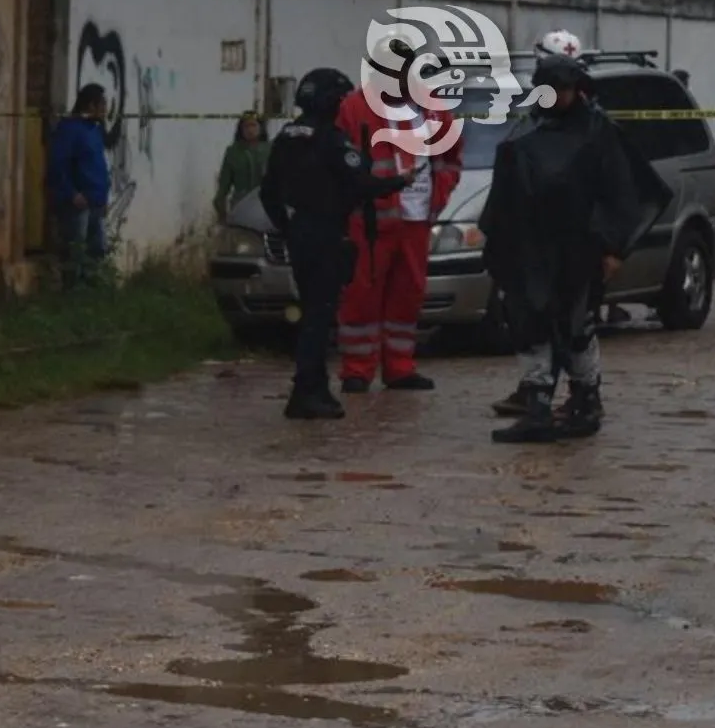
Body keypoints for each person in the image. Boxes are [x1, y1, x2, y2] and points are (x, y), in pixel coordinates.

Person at [480, 53, 673, 443]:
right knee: (529, 322)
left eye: (564, 89)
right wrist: (502, 245)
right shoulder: (526, 130)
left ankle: (586, 399)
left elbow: (620, 191)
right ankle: (536, 405)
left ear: (576, 90)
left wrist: (614, 247)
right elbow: (506, 191)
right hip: (532, 248)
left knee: (577, 326)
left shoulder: (597, 132)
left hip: (580, 247)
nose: (556, 97)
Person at [258, 69, 410, 421]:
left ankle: (315, 387)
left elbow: (269, 192)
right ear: (329, 102)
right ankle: (305, 392)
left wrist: (287, 227)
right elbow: (360, 184)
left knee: (313, 310)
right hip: (325, 234)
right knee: (319, 314)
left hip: (301, 234)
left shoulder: (285, 137)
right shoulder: (330, 140)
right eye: (339, 101)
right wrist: (399, 182)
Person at [333, 83, 462, 392]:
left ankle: (400, 366)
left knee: (408, 294)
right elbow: (339, 162)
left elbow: (449, 157)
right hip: (371, 221)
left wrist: (440, 193)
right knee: (362, 294)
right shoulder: (354, 107)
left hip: (416, 219)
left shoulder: (433, 108)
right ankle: (357, 369)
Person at [45, 84, 112, 283]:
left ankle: (89, 296)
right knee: (75, 253)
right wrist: (72, 193)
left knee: (96, 251)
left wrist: (103, 198)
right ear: (91, 105)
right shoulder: (70, 129)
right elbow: (58, 165)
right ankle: (71, 295)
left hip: (96, 202)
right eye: (102, 104)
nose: (105, 109)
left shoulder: (95, 130)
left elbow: (97, 165)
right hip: (77, 204)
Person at [213, 112, 271, 223]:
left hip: (266, 207)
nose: (250, 130)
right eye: (246, 126)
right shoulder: (233, 152)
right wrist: (222, 213)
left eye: (253, 125)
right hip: (241, 206)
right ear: (240, 130)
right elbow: (224, 185)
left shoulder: (270, 150)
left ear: (261, 128)